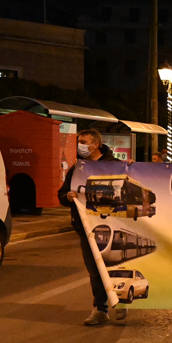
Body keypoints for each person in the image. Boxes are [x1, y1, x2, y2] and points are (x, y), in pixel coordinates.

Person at [58, 129, 120, 326]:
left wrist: (133, 168)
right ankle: (100, 309)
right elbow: (62, 194)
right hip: (87, 229)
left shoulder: (115, 166)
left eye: (83, 142)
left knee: (116, 268)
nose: (80, 145)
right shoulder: (78, 168)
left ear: (96, 145)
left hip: (112, 227)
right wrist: (67, 197)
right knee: (94, 271)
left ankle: (121, 302)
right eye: (79, 142)